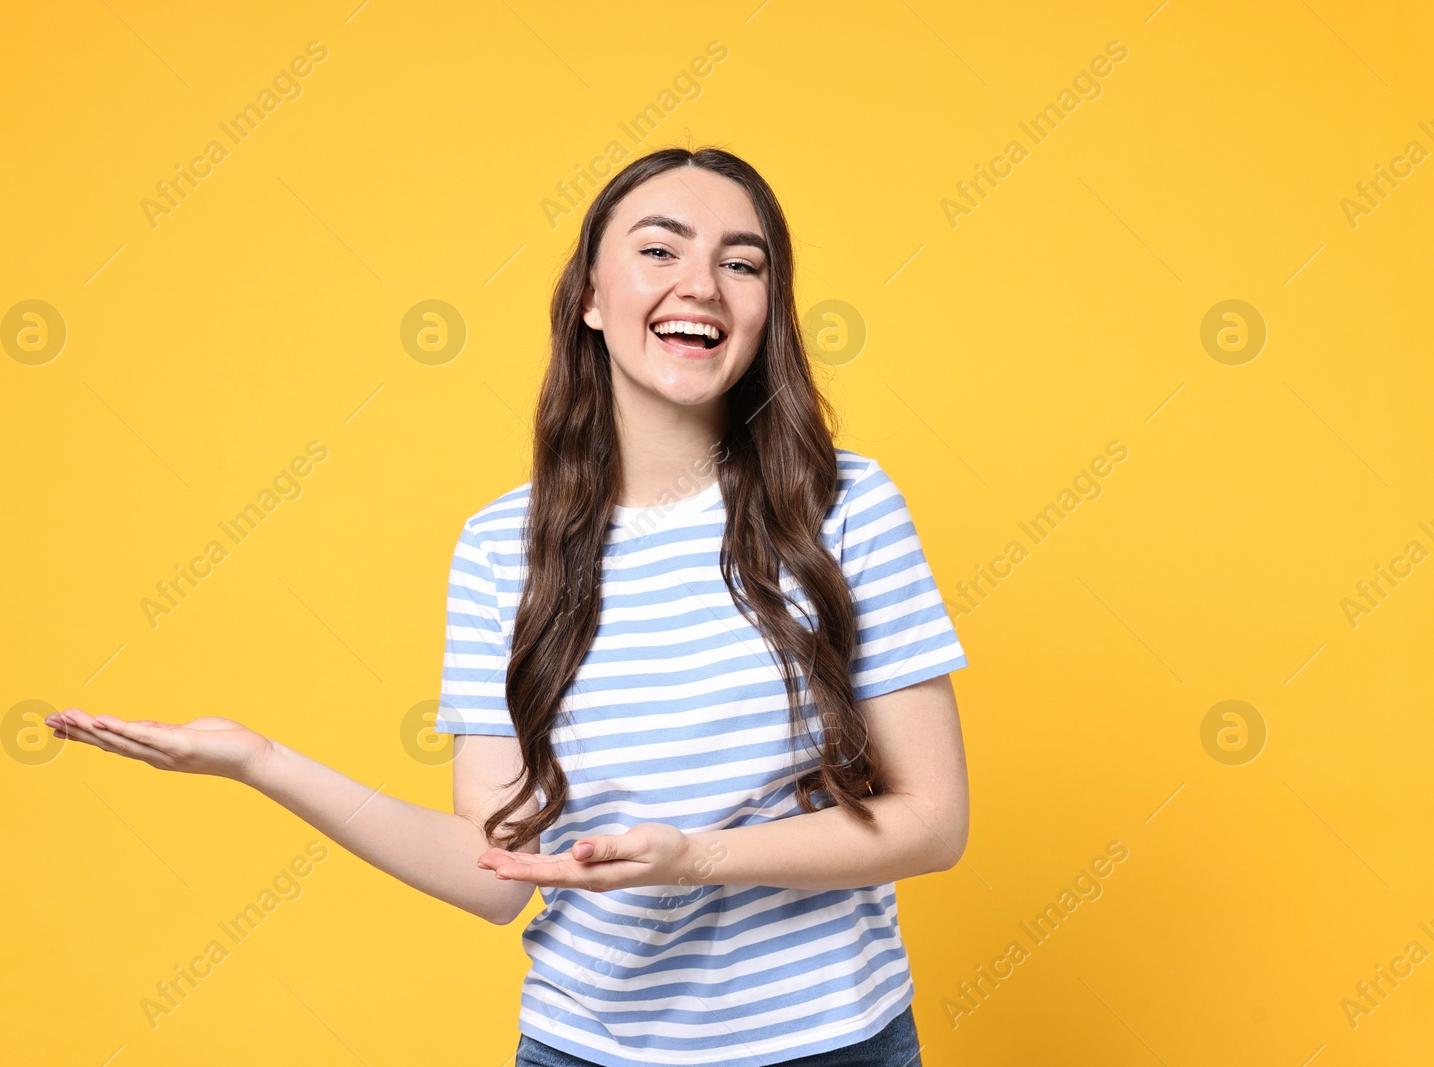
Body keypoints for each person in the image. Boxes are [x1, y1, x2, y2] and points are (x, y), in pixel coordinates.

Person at [50, 145, 969, 1067]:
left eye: (742, 262)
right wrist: (260, 760)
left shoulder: (842, 504)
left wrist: (694, 856)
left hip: (833, 1045)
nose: (703, 285)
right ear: (591, 300)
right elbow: (495, 874)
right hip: (586, 1049)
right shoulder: (503, 547)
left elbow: (933, 820)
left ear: (767, 310)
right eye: (660, 250)